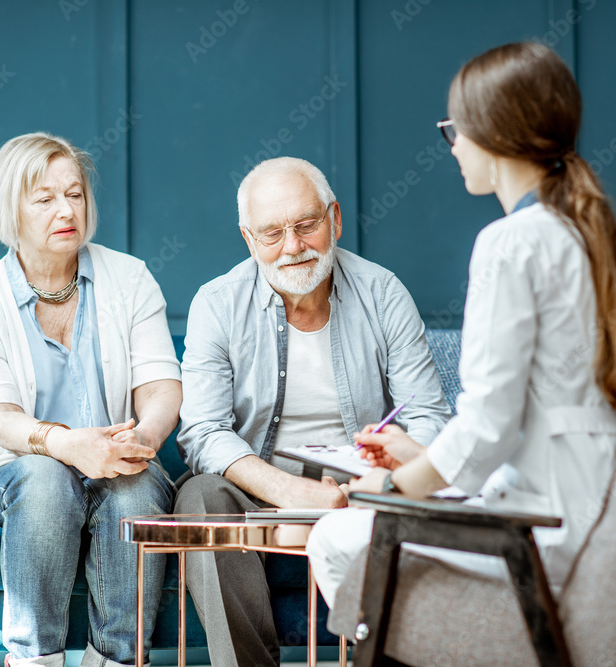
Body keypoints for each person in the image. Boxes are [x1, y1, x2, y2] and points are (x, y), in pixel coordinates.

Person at [307, 41, 616, 609]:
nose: (454, 149)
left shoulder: (510, 242)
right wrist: (418, 458)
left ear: (493, 134)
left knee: (336, 538)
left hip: (542, 526)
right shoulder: (608, 242)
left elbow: (490, 423)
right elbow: (528, 416)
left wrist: (395, 487)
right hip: (606, 511)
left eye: (455, 131)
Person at [174, 156, 451, 666]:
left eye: (306, 225)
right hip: (257, 491)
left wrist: (383, 483)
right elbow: (203, 432)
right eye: (273, 233)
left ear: (335, 219)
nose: (294, 247)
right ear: (249, 239)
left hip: (367, 489)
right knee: (201, 496)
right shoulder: (216, 303)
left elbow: (428, 418)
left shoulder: (383, 293)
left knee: (421, 495)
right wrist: (293, 493)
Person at [0, 132, 183, 667]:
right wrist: (68, 446)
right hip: (8, 476)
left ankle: (118, 660)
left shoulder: (129, 278)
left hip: (114, 469)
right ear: (12, 209)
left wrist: (140, 441)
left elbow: (161, 386)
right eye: (45, 197)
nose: (65, 209)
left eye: (74, 194)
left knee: (137, 484)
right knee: (47, 474)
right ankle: (34, 660)